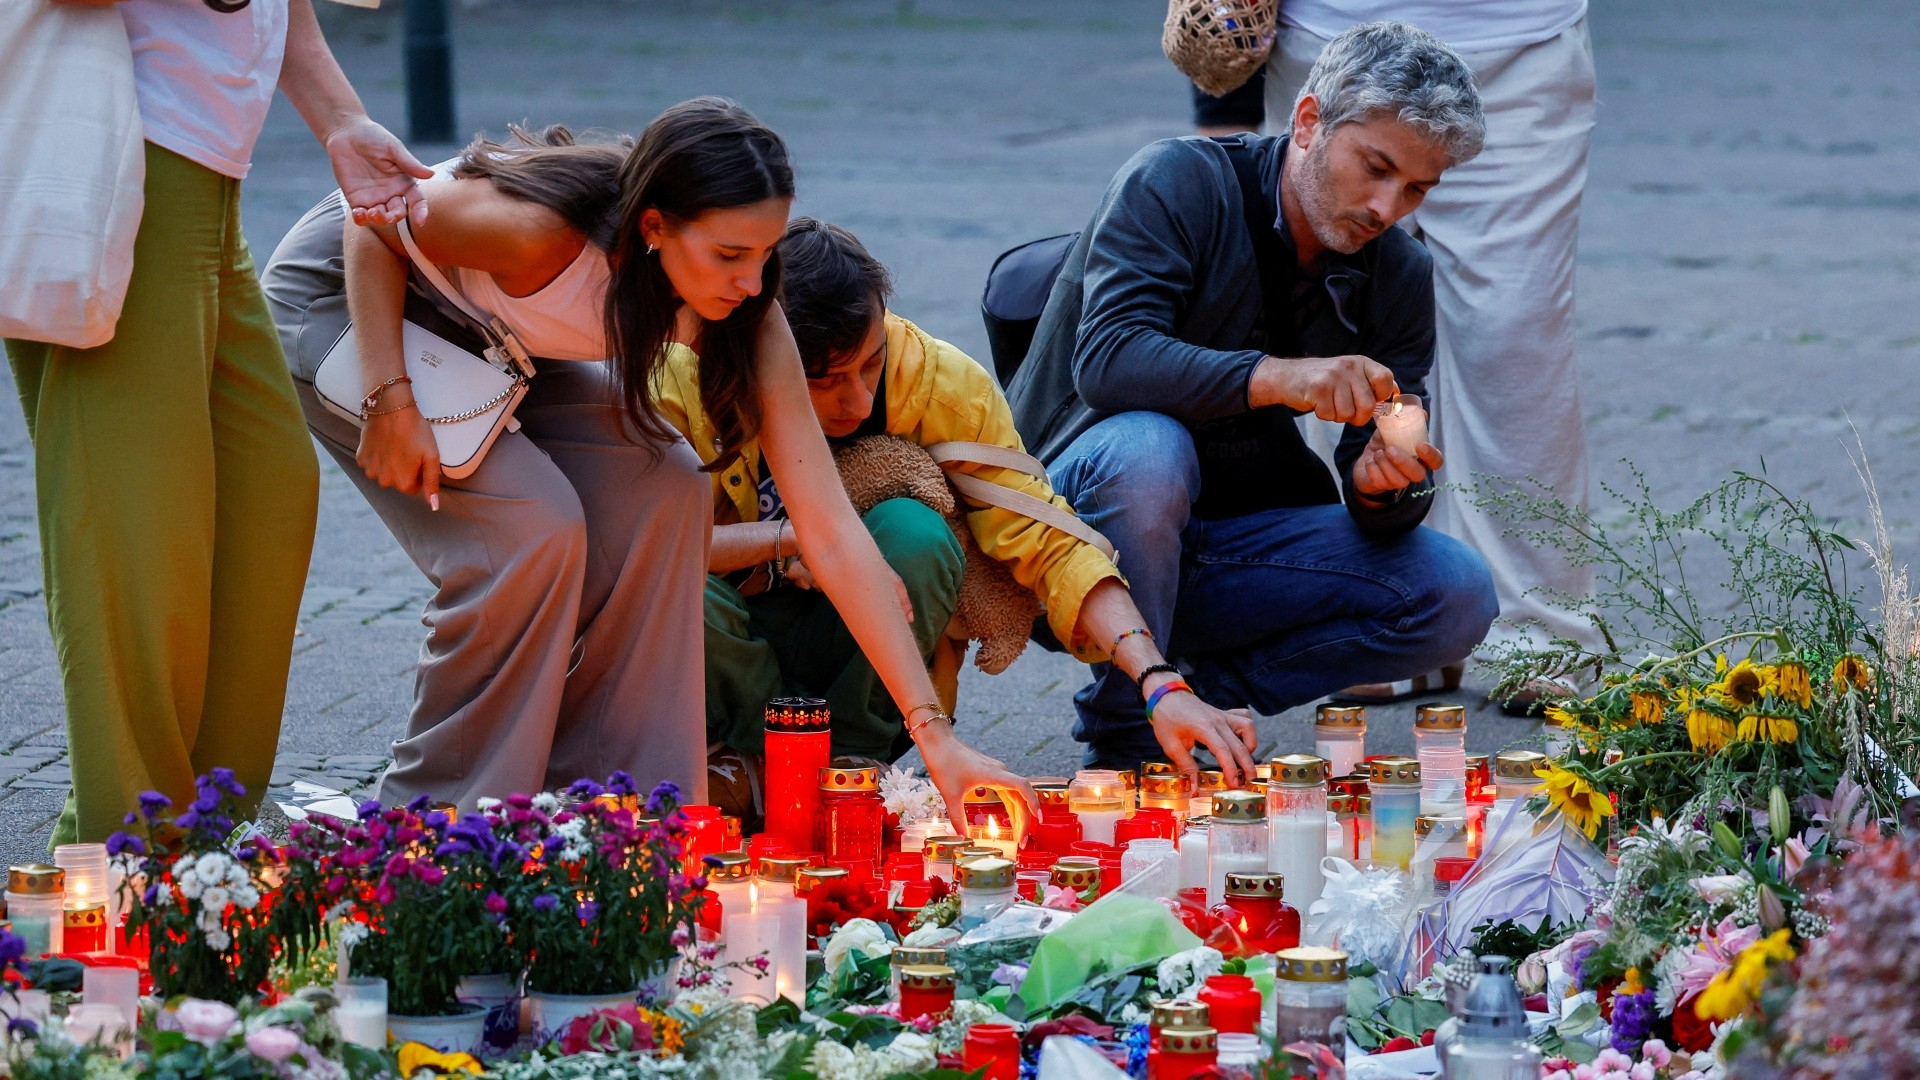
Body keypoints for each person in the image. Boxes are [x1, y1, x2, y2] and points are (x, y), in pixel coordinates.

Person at [263, 100, 1031, 828]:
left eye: (767, 253)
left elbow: (829, 531)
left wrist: (935, 738)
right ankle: (437, 826)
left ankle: (615, 813)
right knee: (535, 527)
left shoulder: (748, 314)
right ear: (656, 229)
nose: (752, 282)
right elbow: (375, 221)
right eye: (729, 255)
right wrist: (391, 400)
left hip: (493, 334)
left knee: (663, 482)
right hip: (345, 300)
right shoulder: (539, 234)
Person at [1006, 22, 1500, 770]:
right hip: (1073, 540)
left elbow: (1395, 461)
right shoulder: (1176, 180)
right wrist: (1285, 378)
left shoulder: (1398, 268)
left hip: (1228, 549)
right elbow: (1108, 362)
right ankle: (1129, 731)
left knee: (1456, 591)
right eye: (1375, 167)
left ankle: (1191, 695)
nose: (1387, 206)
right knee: (1150, 449)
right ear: (1307, 121)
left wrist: (1385, 484)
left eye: (1416, 189)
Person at [5, 0, 429, 845]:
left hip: (208, 182)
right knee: (134, 541)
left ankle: (196, 837)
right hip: (121, 165)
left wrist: (341, 120)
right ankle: (129, 855)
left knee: (266, 500)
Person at [658, 219, 1260, 793]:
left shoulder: (938, 380)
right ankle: (744, 763)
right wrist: (794, 539)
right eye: (822, 381)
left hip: (863, 656)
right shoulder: (680, 378)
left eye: (870, 364)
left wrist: (1159, 684)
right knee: (676, 585)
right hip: (722, 648)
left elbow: (1049, 540)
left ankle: (856, 767)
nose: (857, 398)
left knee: (914, 533)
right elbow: (639, 548)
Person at [1258, 2, 1598, 708]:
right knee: (1342, 326)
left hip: (1512, 40)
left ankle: (1541, 623)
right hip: (1330, 36)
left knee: (1512, 335)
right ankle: (1400, 621)